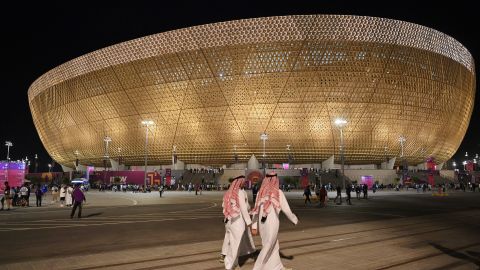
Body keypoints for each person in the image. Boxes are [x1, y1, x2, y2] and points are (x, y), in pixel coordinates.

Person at [251, 173, 298, 270]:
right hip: (272, 223)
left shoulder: (260, 192)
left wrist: (254, 226)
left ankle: (277, 267)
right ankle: (257, 268)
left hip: (262, 223)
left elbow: (255, 210)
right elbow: (286, 208)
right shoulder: (278, 192)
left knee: (274, 245)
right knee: (268, 246)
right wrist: (294, 219)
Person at [221, 175, 255, 269]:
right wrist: (249, 221)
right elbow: (244, 208)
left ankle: (233, 262)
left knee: (233, 242)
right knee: (235, 244)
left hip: (229, 221)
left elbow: (224, 205)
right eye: (243, 181)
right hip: (238, 222)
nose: (244, 182)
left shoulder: (228, 192)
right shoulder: (239, 192)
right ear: (239, 182)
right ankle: (229, 265)